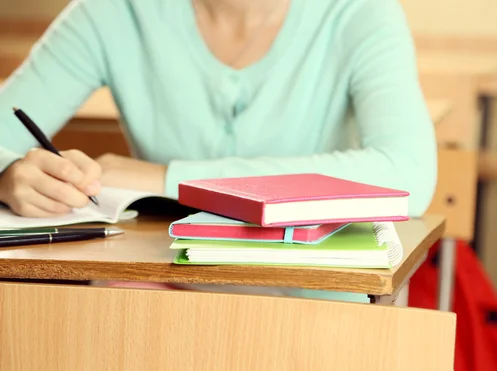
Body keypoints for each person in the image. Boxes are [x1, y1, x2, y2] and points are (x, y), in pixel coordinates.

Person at [0, 0, 437, 302]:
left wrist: (169, 179)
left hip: (321, 301)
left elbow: (409, 173)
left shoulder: (359, 13)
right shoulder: (111, 12)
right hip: (166, 286)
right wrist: (9, 176)